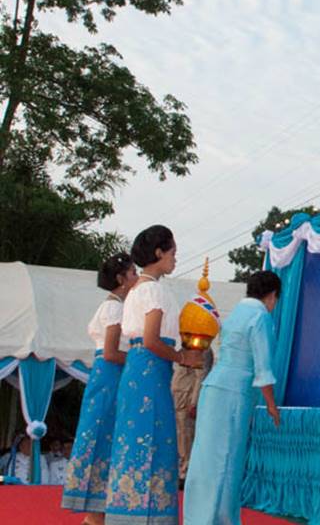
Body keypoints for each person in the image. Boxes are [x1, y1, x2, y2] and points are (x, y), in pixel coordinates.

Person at [104, 225, 203, 525]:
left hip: (138, 371)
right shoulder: (154, 290)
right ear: (159, 252)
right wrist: (183, 357)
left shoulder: (136, 290)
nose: (175, 258)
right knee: (154, 441)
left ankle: (126, 513)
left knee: (134, 441)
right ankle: (148, 517)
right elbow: (151, 340)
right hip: (151, 372)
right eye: (173, 252)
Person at [183, 270, 282, 525]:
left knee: (205, 457)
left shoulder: (236, 313)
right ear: (272, 296)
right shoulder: (260, 316)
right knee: (227, 459)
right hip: (234, 393)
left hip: (213, 386)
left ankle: (197, 518)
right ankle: (219, 520)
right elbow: (263, 367)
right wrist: (271, 405)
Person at [62, 252, 137, 522]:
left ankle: (98, 512)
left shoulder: (113, 306)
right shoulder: (114, 308)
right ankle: (96, 514)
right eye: (133, 273)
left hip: (106, 376)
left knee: (102, 435)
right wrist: (142, 358)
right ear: (121, 278)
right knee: (105, 436)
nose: (137, 277)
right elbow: (111, 352)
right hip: (111, 375)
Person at [171, 348, 213, 488]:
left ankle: (186, 472)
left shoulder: (201, 347)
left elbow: (201, 376)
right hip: (178, 397)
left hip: (187, 400)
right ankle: (181, 469)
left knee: (186, 435)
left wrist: (195, 402)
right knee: (180, 436)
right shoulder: (184, 346)